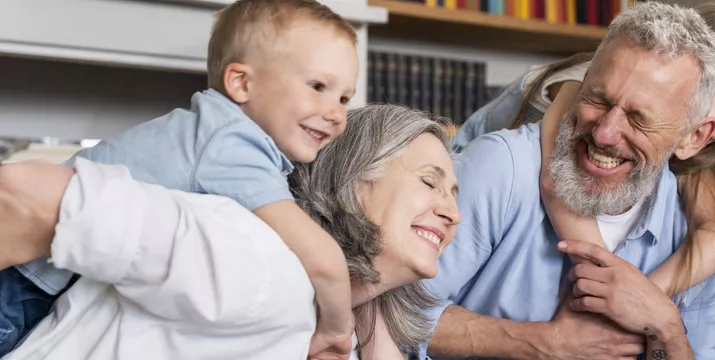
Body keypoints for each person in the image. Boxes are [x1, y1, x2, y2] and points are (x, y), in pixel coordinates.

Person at [0, 0, 360, 357]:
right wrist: (336, 328)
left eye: (345, 98)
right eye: (317, 86)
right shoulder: (232, 145)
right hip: (22, 279)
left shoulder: (212, 132)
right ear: (241, 83)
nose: (336, 114)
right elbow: (323, 260)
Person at [0, 104, 461, 360]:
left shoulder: (343, 321)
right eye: (428, 182)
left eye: (454, 194)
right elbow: (27, 194)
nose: (453, 213)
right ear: (353, 181)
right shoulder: (249, 256)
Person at [455, 3, 715, 358]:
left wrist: (654, 307)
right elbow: (554, 182)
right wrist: (595, 304)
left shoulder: (686, 186)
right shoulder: (565, 105)